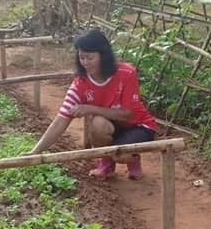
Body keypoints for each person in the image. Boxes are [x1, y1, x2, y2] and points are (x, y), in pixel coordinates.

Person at [30, 28, 156, 179]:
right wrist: (35, 152)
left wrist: (90, 108)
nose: (85, 63)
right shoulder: (80, 83)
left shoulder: (126, 73)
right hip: (111, 127)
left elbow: (128, 114)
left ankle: (131, 158)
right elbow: (60, 121)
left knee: (120, 155)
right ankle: (107, 163)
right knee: (97, 124)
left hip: (139, 126)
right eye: (81, 57)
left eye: (90, 58)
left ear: (103, 55)